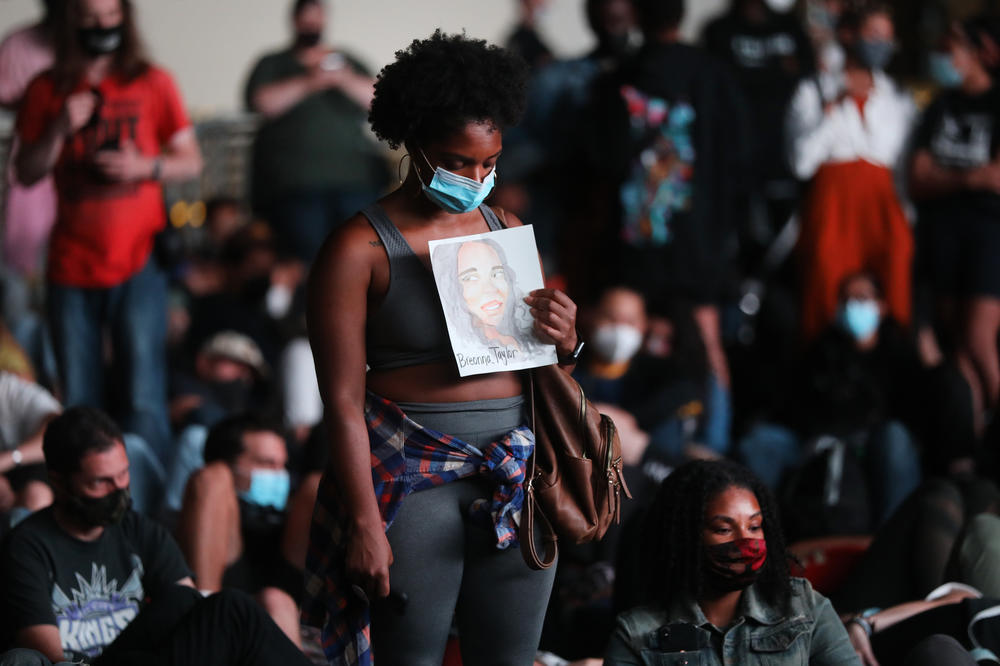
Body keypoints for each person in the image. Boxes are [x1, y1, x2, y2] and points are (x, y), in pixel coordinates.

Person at [302, 31, 580, 665]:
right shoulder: (357, 250)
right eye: (458, 162)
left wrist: (566, 339)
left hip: (517, 470)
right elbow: (342, 402)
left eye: (489, 163)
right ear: (414, 143)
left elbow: (541, 366)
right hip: (411, 481)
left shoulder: (504, 229)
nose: (478, 179)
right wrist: (366, 526)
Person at [14, 0, 203, 463]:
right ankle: (83, 498)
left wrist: (143, 165)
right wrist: (59, 127)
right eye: (89, 19)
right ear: (70, 22)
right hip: (69, 264)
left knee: (143, 393)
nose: (101, 28)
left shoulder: (153, 81)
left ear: (125, 19)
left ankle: (145, 503)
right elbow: (25, 171)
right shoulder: (46, 88)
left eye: (110, 18)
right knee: (79, 394)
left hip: (139, 262)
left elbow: (191, 159)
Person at [0, 407, 312, 666]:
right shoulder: (27, 547)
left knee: (221, 607)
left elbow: (189, 608)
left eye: (123, 474)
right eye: (101, 482)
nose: (118, 489)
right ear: (60, 481)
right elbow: (51, 658)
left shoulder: (136, 528)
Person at [583, 0, 751, 391]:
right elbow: (741, 161)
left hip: (631, 247)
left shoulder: (616, 79)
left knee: (623, 351)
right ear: (682, 15)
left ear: (638, 16)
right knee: (706, 348)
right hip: (699, 246)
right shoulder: (714, 75)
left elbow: (596, 161)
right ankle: (708, 442)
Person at [606, 459, 860, 664]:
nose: (746, 542)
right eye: (724, 529)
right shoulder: (636, 634)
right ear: (684, 538)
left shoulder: (804, 607)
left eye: (754, 526)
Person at [786, 3, 915, 340]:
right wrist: (835, 110)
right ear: (848, 35)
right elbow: (800, 163)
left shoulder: (898, 99)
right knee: (825, 297)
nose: (880, 44)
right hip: (832, 211)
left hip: (883, 212)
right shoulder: (813, 91)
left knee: (892, 293)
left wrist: (905, 218)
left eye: (887, 37)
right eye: (872, 35)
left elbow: (901, 169)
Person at [910, 17, 1000, 436]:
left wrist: (944, 178)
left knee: (980, 339)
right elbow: (918, 177)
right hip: (942, 233)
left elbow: (996, 178)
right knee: (957, 344)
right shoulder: (940, 106)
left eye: (952, 49)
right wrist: (969, 177)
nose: (945, 58)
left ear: (980, 51)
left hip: (987, 234)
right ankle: (972, 436)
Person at [244, 0, 386, 264]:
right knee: (308, 259)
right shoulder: (273, 62)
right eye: (305, 18)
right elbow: (263, 103)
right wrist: (311, 81)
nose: (311, 23)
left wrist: (342, 78)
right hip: (295, 186)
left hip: (355, 181)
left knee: (358, 256)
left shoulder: (348, 60)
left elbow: (379, 98)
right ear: (294, 20)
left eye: (317, 17)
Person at [175, 415, 304, 648]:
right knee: (211, 480)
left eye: (282, 465)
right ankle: (205, 627)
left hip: (290, 609)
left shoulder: (295, 508)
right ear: (228, 465)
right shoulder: (210, 484)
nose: (278, 475)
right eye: (266, 463)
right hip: (220, 610)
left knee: (317, 485)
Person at [431, 237, 539, 354]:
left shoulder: (523, 343)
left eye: (497, 273)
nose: (490, 289)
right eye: (471, 278)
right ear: (451, 287)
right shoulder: (467, 346)